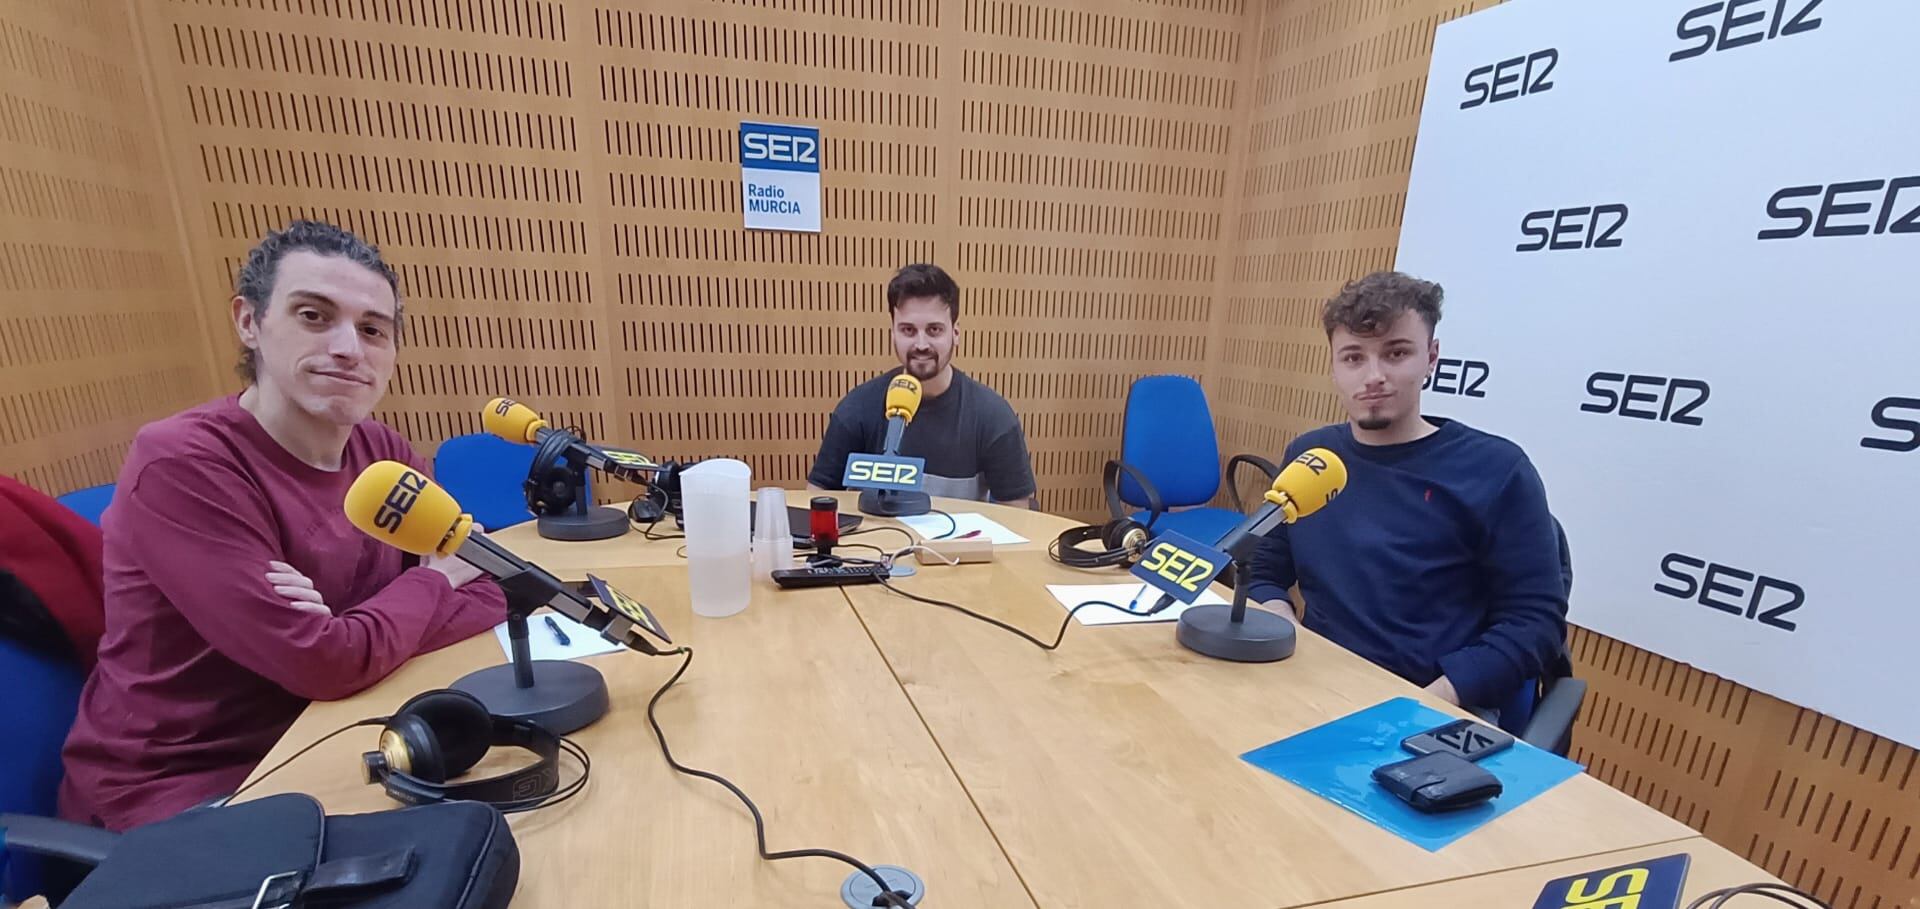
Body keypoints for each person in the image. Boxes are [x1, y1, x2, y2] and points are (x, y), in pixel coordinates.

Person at [59, 221, 505, 831]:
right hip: (191, 787)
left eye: (373, 329)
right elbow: (321, 663)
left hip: (343, 733)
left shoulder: (383, 451)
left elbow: (489, 589)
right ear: (250, 322)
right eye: (315, 316)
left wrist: (352, 631)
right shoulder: (182, 464)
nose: (350, 348)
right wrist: (427, 587)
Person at [1244, 271, 1567, 717]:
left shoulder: (1497, 470)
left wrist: (1436, 697)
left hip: (1431, 702)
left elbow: (1534, 622)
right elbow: (1265, 569)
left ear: (1431, 357)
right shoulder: (1311, 456)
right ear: (1334, 367)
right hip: (1313, 685)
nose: (1373, 376)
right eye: (1354, 358)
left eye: (1396, 353)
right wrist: (1283, 628)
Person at [808, 264, 1036, 507]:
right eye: (908, 330)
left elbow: (1018, 515)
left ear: (955, 334)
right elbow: (817, 500)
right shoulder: (857, 409)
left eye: (934, 330)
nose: (921, 344)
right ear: (893, 333)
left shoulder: (993, 416)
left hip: (959, 545)